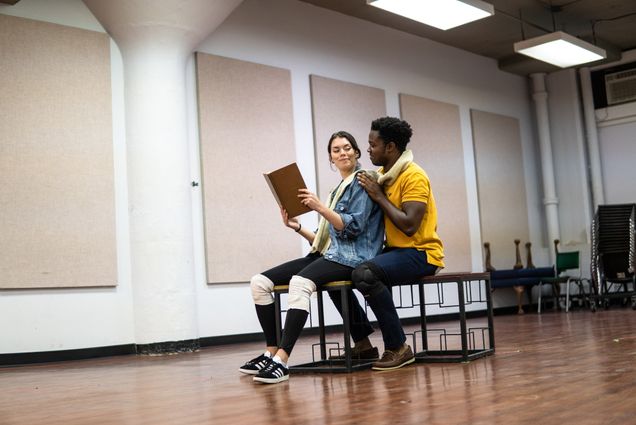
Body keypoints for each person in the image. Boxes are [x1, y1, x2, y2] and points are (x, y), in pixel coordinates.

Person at [240, 131, 384, 384]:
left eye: (348, 147)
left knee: (300, 283)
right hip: (331, 253)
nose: (343, 153)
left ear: (357, 152)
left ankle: (282, 361)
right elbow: (323, 237)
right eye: (337, 149)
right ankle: (271, 352)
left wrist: (319, 207)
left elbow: (351, 228)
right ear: (331, 157)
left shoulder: (363, 181)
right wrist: (296, 226)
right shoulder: (338, 189)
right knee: (259, 282)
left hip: (353, 257)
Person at [354, 116, 445, 371]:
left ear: (390, 147)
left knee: (365, 274)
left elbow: (409, 225)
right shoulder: (383, 176)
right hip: (397, 251)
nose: (368, 149)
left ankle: (398, 347)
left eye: (373, 145)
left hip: (422, 252)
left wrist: (379, 196)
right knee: (344, 271)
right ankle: (362, 342)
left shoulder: (413, 176)